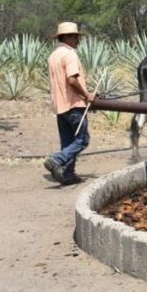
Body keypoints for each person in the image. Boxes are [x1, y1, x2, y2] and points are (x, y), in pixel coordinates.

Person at [44, 22, 97, 185]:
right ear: (66, 37)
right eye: (74, 37)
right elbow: (72, 79)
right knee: (82, 140)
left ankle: (67, 174)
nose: (77, 40)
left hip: (60, 106)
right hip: (74, 104)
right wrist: (86, 95)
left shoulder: (53, 55)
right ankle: (56, 159)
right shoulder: (70, 54)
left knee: (68, 142)